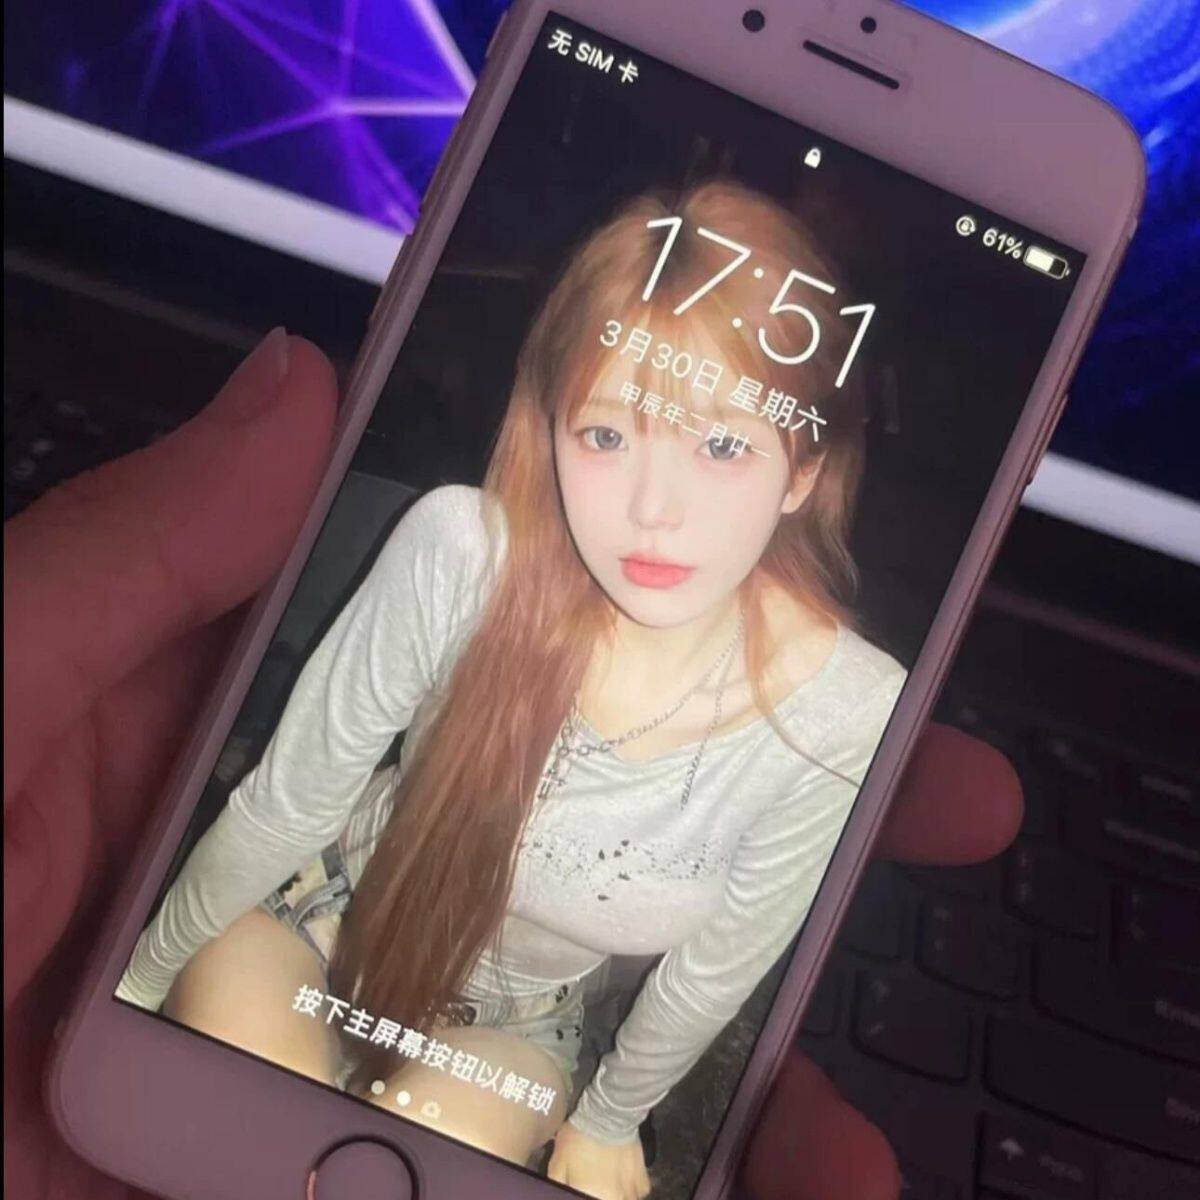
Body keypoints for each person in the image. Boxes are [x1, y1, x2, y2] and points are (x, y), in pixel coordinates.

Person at [5, 266, 1022, 1200]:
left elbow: (718, 964)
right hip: (317, 910)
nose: (654, 511)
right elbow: (292, 797)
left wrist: (609, 1121)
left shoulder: (841, 705)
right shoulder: (466, 548)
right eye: (608, 435)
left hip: (526, 1023)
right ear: (553, 432)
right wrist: (129, 985)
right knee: (225, 1124)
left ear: (800, 474)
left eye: (722, 446)